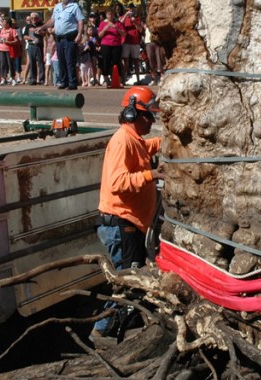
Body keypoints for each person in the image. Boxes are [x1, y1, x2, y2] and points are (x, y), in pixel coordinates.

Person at [91, 86, 163, 339]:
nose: (151, 122)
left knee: (133, 278)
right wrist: (152, 174)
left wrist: (170, 140)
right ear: (132, 113)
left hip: (130, 223)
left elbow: (148, 147)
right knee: (127, 280)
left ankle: (119, 328)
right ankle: (102, 333)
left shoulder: (135, 140)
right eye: (148, 116)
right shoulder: (122, 141)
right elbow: (117, 182)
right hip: (122, 223)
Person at [38, 0, 86, 90]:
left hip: (70, 38)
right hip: (59, 38)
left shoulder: (75, 6)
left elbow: (80, 21)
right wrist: (42, 27)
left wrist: (79, 34)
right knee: (61, 61)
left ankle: (72, 83)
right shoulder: (57, 7)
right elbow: (52, 20)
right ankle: (63, 82)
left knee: (70, 61)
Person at [97, 9, 124, 87]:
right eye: (109, 14)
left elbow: (124, 34)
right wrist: (105, 29)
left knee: (117, 62)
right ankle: (106, 80)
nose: (110, 16)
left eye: (112, 14)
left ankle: (118, 80)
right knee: (106, 62)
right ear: (106, 15)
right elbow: (99, 35)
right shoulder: (102, 23)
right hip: (106, 44)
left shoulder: (118, 23)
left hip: (116, 45)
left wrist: (117, 28)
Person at [120, 5, 144, 83]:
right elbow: (120, 23)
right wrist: (126, 15)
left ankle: (138, 80)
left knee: (136, 61)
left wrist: (135, 22)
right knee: (125, 62)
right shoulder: (124, 17)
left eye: (133, 8)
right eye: (130, 8)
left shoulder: (137, 18)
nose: (131, 10)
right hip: (126, 42)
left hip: (135, 42)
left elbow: (140, 30)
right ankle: (123, 80)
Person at [24, 12, 45, 85]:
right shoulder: (28, 26)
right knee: (32, 62)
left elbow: (45, 33)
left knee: (40, 62)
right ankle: (33, 78)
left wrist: (38, 31)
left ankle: (42, 79)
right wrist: (32, 38)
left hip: (39, 46)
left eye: (35, 18)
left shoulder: (41, 25)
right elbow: (25, 36)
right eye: (32, 18)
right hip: (31, 45)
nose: (33, 19)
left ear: (38, 18)